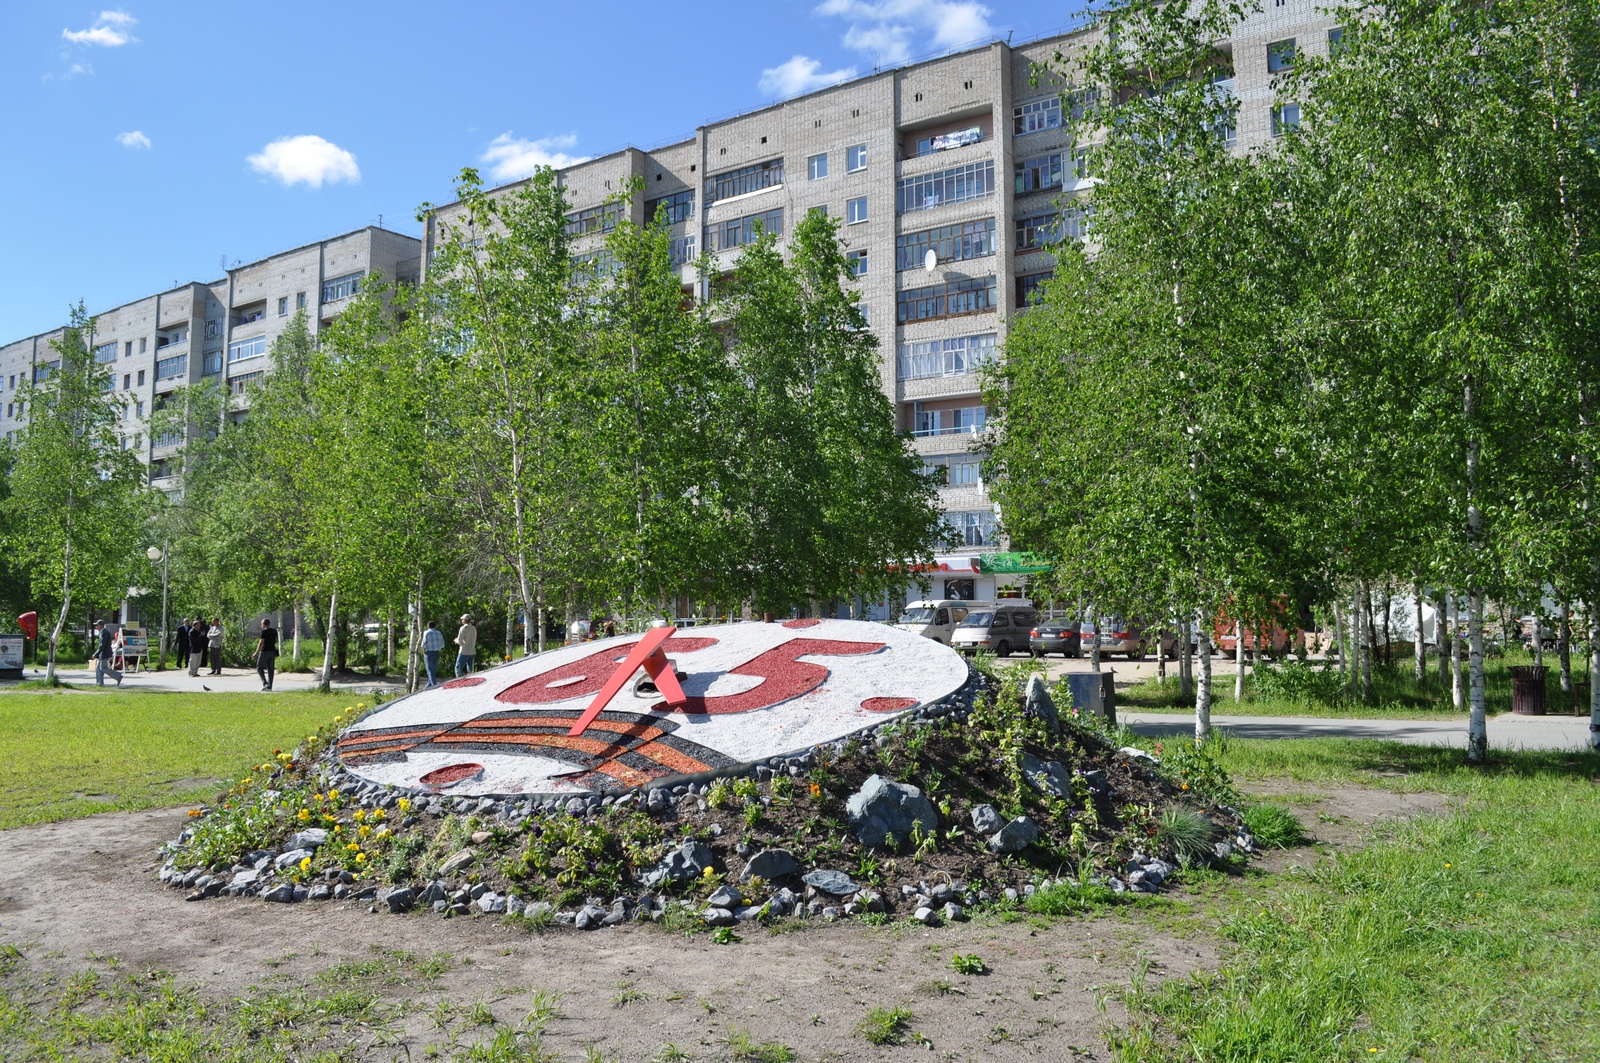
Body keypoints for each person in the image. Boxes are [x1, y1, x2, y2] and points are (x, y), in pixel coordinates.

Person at [92, 620, 123, 687]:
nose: (96, 626)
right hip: (103, 653)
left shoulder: (104, 633)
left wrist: (96, 653)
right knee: (98, 669)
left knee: (103, 668)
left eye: (97, 625)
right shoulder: (102, 632)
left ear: (101, 625)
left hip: (104, 653)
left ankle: (118, 676)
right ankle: (99, 683)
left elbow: (102, 645)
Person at [255, 618, 279, 691]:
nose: (261, 625)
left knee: (259, 668)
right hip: (272, 652)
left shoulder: (264, 632)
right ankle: (270, 686)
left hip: (265, 651)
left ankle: (265, 683)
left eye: (261, 624)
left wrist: (256, 653)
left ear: (263, 624)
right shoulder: (274, 631)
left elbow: (261, 642)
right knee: (270, 670)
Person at [421, 620, 444, 687]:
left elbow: (424, 643)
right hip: (437, 652)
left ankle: (434, 685)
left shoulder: (426, 633)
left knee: (430, 671)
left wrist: (423, 651)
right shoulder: (438, 633)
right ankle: (427, 687)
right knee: (433, 670)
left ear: (428, 626)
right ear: (435, 626)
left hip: (429, 653)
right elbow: (442, 643)